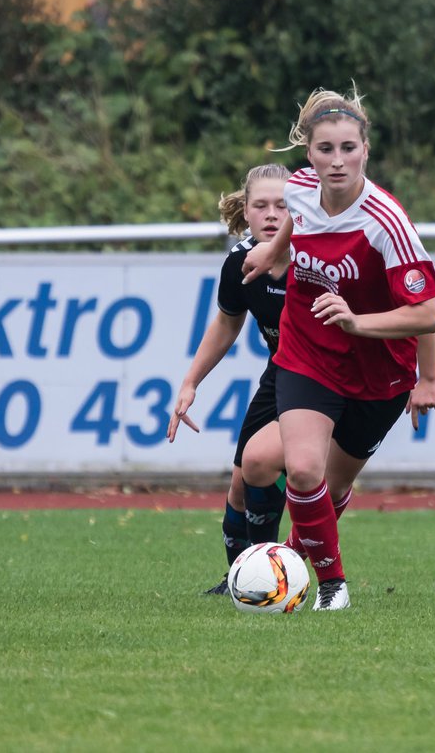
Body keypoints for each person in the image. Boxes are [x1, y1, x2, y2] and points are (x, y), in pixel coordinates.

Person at [241, 86, 435, 611]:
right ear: (308, 154)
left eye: (348, 148)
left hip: (380, 374)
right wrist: (273, 251)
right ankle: (333, 584)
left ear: (365, 151)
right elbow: (296, 220)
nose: (337, 160)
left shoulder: (387, 222)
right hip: (307, 352)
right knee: (304, 470)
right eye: (325, 149)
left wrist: (367, 328)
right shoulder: (302, 188)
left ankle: (288, 561)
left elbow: (430, 313)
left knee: (329, 487)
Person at [166, 164, 293, 595]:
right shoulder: (240, 262)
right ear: (247, 210)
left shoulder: (316, 258)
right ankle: (243, 578)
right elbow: (226, 323)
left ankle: (273, 576)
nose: (272, 214)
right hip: (282, 372)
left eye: (282, 205)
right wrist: (190, 382)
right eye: (261, 205)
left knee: (273, 468)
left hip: (328, 377)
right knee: (240, 483)